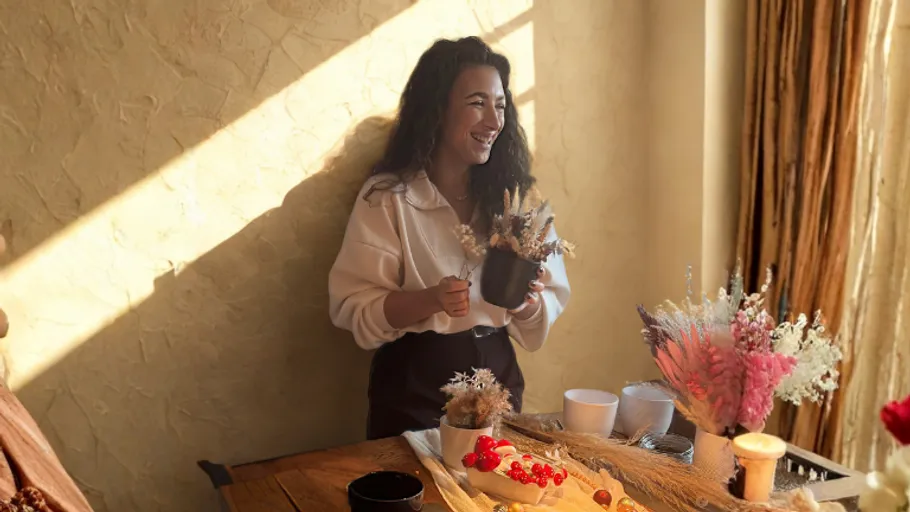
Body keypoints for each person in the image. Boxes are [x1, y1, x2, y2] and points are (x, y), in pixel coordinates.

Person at [328, 37, 571, 440]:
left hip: (498, 381)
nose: (494, 122)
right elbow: (355, 310)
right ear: (437, 109)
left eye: (500, 106)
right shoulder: (389, 199)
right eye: (477, 103)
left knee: (488, 498)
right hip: (414, 384)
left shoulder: (517, 203)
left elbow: (546, 306)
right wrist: (429, 300)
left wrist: (528, 304)